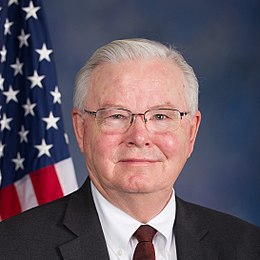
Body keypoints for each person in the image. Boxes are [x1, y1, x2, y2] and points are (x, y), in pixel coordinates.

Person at [0, 38, 259, 259]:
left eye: (161, 116)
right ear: (81, 129)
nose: (139, 136)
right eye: (116, 115)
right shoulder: (12, 248)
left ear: (191, 132)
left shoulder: (247, 247)